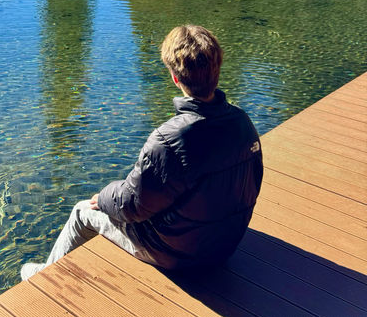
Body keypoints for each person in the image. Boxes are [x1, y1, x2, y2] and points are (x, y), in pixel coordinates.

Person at [20, 24, 263, 280]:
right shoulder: (242, 122)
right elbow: (253, 181)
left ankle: (44, 276)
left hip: (179, 254)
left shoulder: (169, 139)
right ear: (217, 70)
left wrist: (103, 198)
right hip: (225, 244)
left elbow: (132, 206)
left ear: (175, 77)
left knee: (82, 211)